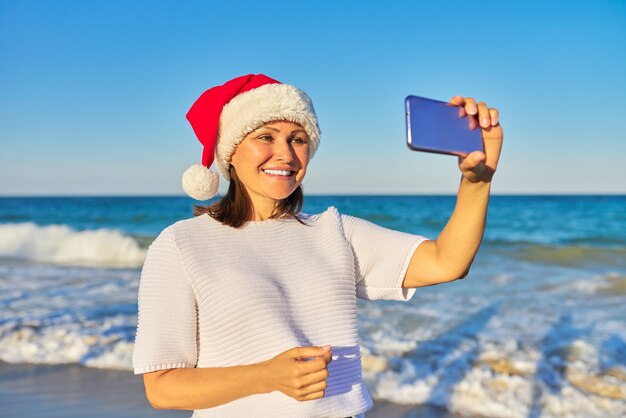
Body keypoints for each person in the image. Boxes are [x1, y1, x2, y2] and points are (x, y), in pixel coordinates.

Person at [132, 73, 503, 418]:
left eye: (298, 139)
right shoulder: (182, 243)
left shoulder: (335, 232)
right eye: (266, 136)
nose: (286, 154)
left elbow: (446, 262)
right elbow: (162, 388)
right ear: (230, 152)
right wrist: (266, 376)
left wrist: (478, 181)